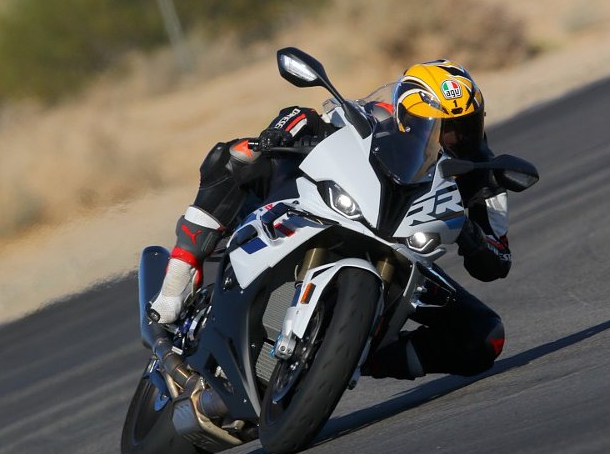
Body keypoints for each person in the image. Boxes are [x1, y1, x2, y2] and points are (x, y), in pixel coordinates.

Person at [149, 59, 510, 380]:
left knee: (485, 336)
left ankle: (363, 353)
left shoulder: (481, 172)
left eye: (464, 127)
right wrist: (282, 131)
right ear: (406, 116)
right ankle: (178, 277)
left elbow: (498, 260)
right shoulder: (376, 117)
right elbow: (310, 117)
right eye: (442, 127)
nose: (453, 138)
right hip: (330, 207)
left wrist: (472, 236)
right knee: (239, 154)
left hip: (407, 255)